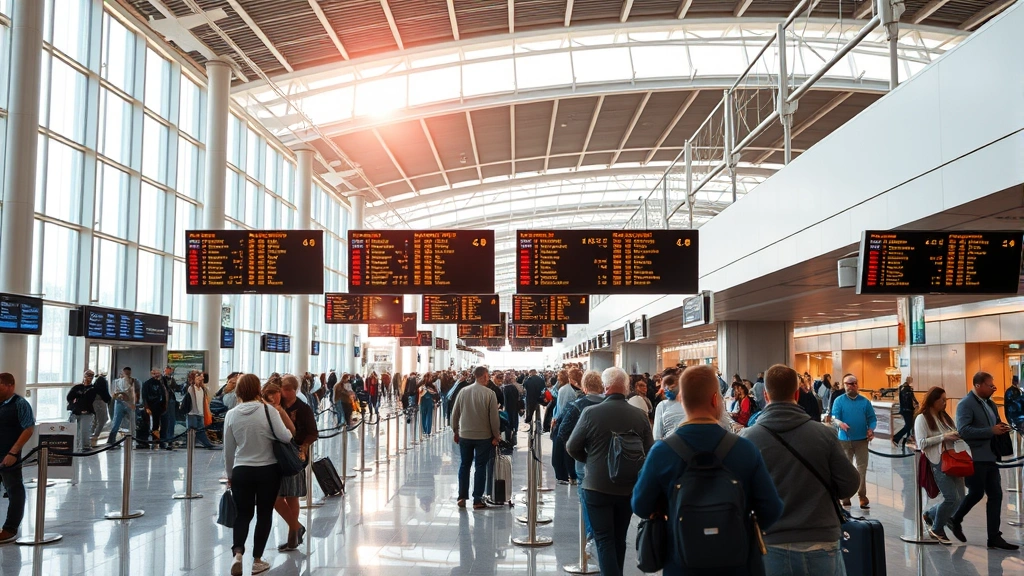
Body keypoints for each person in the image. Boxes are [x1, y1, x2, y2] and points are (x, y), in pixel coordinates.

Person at [632, 365, 782, 575]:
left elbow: (640, 505)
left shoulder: (662, 452)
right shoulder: (745, 449)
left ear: (682, 400)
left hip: (681, 562)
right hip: (739, 564)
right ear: (715, 400)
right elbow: (772, 509)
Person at [741, 364, 859, 575]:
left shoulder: (748, 439)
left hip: (771, 540)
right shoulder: (824, 434)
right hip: (822, 538)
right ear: (797, 393)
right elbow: (849, 485)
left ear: (766, 395)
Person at [566, 367, 653, 576]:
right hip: (628, 487)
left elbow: (572, 446)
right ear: (626, 387)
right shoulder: (640, 416)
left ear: (605, 387)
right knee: (619, 539)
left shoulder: (590, 413)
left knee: (604, 540)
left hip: (597, 486)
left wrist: (590, 460)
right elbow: (650, 451)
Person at [224, 374, 292, 575]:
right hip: (267, 470)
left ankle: (237, 553)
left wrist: (230, 474)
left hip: (241, 471)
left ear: (238, 391)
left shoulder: (232, 414)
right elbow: (285, 437)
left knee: (243, 514)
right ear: (258, 389)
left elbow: (228, 450)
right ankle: (257, 560)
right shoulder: (268, 411)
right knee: (264, 514)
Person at [948, 371, 1018, 550]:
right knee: (977, 493)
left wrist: (1001, 428)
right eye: (989, 385)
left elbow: (993, 424)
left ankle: (993, 537)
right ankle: (955, 519)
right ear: (978, 385)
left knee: (995, 494)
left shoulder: (990, 404)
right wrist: (990, 431)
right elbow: (963, 431)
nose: (993, 387)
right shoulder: (966, 404)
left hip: (990, 456)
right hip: (976, 457)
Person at [557, 369, 605, 551]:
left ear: (584, 387)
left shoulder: (576, 405)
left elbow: (563, 432)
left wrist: (578, 452)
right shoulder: (610, 404)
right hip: (607, 461)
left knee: (586, 497)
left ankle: (591, 535)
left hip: (584, 461)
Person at [913, 386, 965, 545]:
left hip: (954, 460)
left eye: (945, 399)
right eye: (942, 400)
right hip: (938, 462)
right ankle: (937, 528)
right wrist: (943, 437)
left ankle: (930, 514)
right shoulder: (922, 418)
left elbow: (952, 433)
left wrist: (955, 436)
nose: (945, 402)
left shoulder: (945, 417)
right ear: (933, 401)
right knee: (951, 497)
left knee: (960, 498)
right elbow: (921, 443)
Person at [275, 375, 317, 552]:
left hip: (295, 455)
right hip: (278, 455)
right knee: (276, 497)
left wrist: (304, 446)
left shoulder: (303, 408)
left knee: (292, 495)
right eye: (281, 389)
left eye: (286, 389)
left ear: (294, 390)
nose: (283, 393)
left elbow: (312, 432)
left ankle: (292, 536)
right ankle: (295, 527)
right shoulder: (278, 406)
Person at [450, 366, 500, 510]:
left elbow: (455, 413)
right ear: (484, 376)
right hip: (484, 437)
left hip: (465, 435)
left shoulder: (463, 391)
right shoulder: (490, 394)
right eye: (488, 375)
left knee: (464, 465)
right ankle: (477, 499)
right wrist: (496, 436)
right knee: (480, 466)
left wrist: (455, 430)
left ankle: (461, 497)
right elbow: (494, 418)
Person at [829, 373, 876, 509]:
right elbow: (835, 417)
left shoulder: (865, 401)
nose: (852, 386)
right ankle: (845, 496)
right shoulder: (839, 401)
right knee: (846, 468)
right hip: (844, 440)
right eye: (849, 384)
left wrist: (871, 429)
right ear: (844, 385)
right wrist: (840, 424)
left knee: (862, 468)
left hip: (861, 440)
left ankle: (862, 495)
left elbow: (872, 418)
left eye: (854, 383)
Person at [0, 373, 35, 543]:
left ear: (9, 385)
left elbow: (28, 428)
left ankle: (10, 529)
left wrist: (13, 452)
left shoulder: (20, 404)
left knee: (14, 490)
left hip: (8, 456)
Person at [551, 368, 582, 485]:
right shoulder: (583, 390)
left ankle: (562, 476)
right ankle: (573, 475)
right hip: (577, 424)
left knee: (559, 451)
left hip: (564, 423)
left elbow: (561, 408)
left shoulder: (564, 390)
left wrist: (555, 420)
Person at [184, 370, 219, 449]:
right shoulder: (190, 388)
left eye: (201, 376)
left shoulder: (202, 389)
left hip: (201, 413)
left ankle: (206, 443)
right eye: (198, 376)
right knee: (192, 429)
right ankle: (191, 444)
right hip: (192, 413)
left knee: (201, 429)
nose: (201, 378)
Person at [67, 370, 97, 452]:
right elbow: (69, 397)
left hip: (87, 412)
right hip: (75, 412)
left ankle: (85, 446)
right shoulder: (77, 387)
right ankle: (73, 446)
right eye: (87, 376)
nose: (88, 378)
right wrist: (73, 404)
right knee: (73, 430)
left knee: (85, 431)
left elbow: (90, 400)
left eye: (91, 376)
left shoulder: (93, 389)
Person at [106, 367, 139, 445]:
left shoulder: (134, 381)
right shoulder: (117, 382)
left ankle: (133, 440)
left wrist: (134, 403)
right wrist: (119, 395)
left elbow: (136, 393)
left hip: (130, 403)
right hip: (120, 403)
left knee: (132, 423)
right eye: (125, 373)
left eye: (128, 373)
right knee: (116, 422)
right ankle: (111, 440)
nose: (127, 374)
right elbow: (113, 393)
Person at [652, 372, 684, 440]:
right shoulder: (689, 405)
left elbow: (657, 435)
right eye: (667, 387)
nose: (669, 389)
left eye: (672, 387)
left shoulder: (663, 405)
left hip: (669, 444)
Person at [893, 376, 919, 447]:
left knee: (909, 425)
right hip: (908, 410)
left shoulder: (901, 387)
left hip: (903, 409)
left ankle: (906, 440)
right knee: (908, 425)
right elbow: (912, 398)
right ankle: (896, 438)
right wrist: (917, 404)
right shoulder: (908, 389)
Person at [90, 371, 112, 446]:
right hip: (99, 401)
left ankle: (91, 436)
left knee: (95, 420)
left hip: (95, 401)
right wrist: (108, 399)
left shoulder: (95, 381)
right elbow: (104, 392)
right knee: (102, 419)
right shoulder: (102, 380)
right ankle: (94, 436)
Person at [500, 372, 521, 443]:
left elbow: (505, 401)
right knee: (513, 424)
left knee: (507, 424)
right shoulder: (514, 387)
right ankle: (513, 438)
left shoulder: (505, 388)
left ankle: (508, 440)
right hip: (514, 408)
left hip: (508, 409)